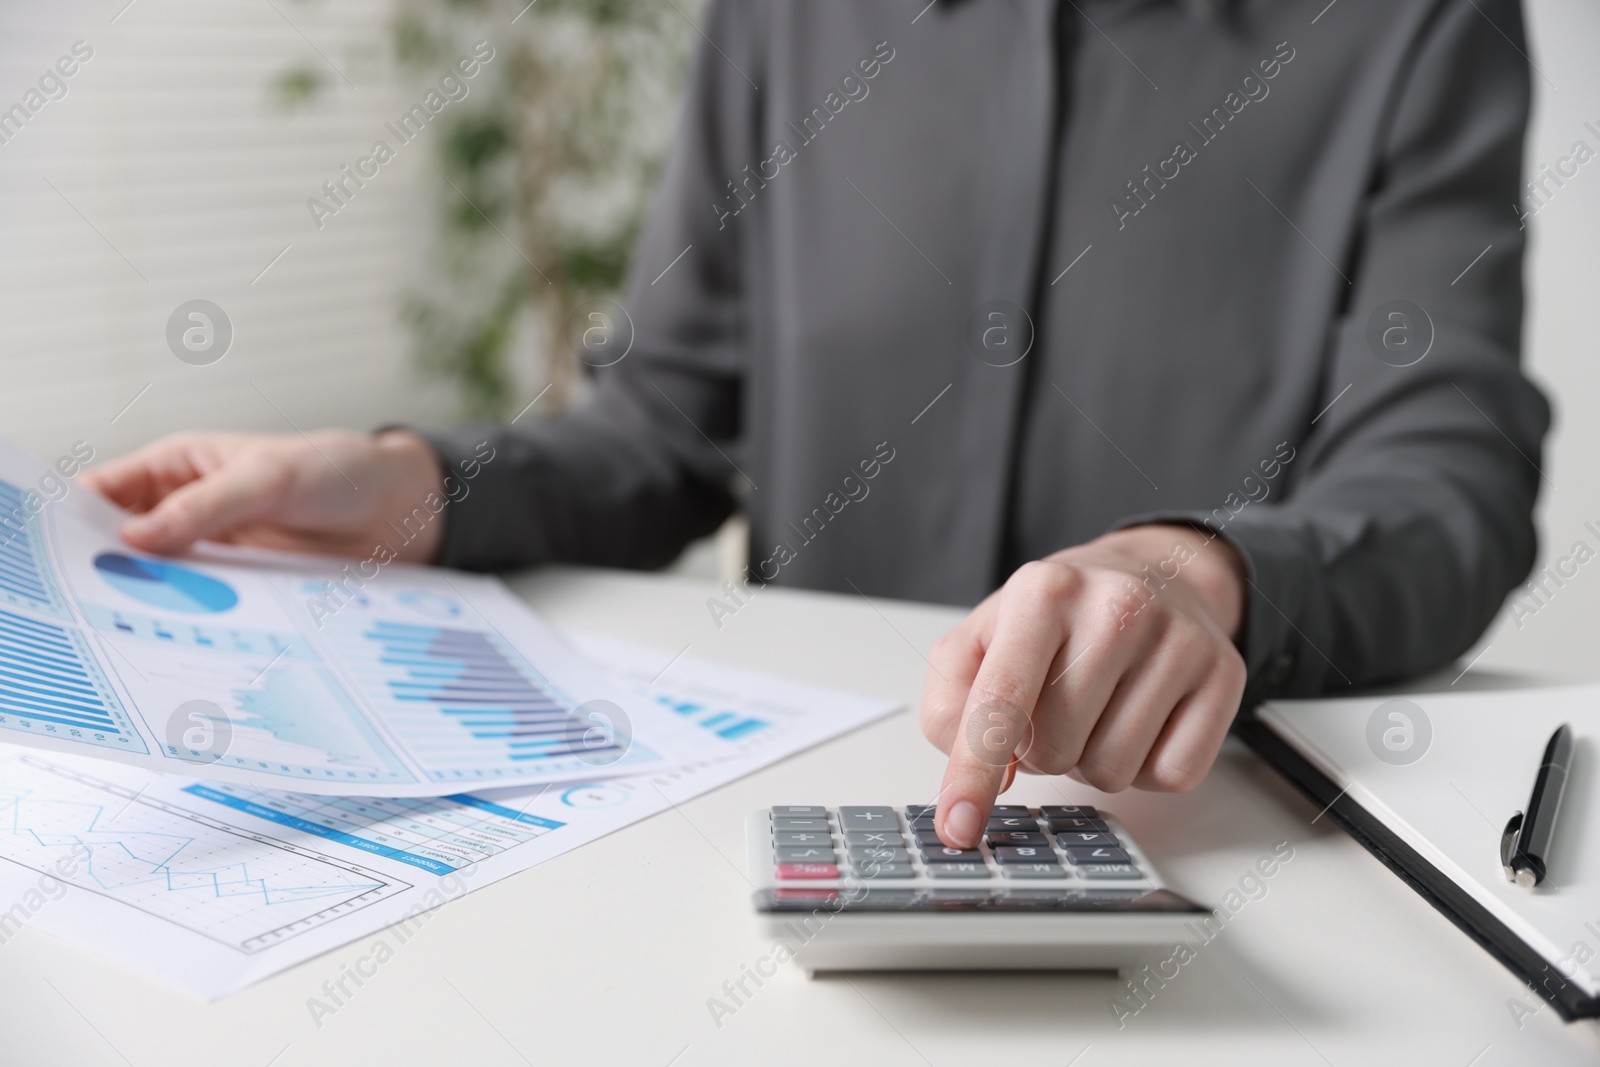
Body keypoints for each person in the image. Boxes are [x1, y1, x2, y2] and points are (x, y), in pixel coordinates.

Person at [84, 0, 1550, 851]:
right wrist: (408, 481)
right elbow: (662, 432)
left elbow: (1448, 478)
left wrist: (1200, 574)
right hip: (779, 839)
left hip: (1200, 851)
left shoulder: (1411, 29)